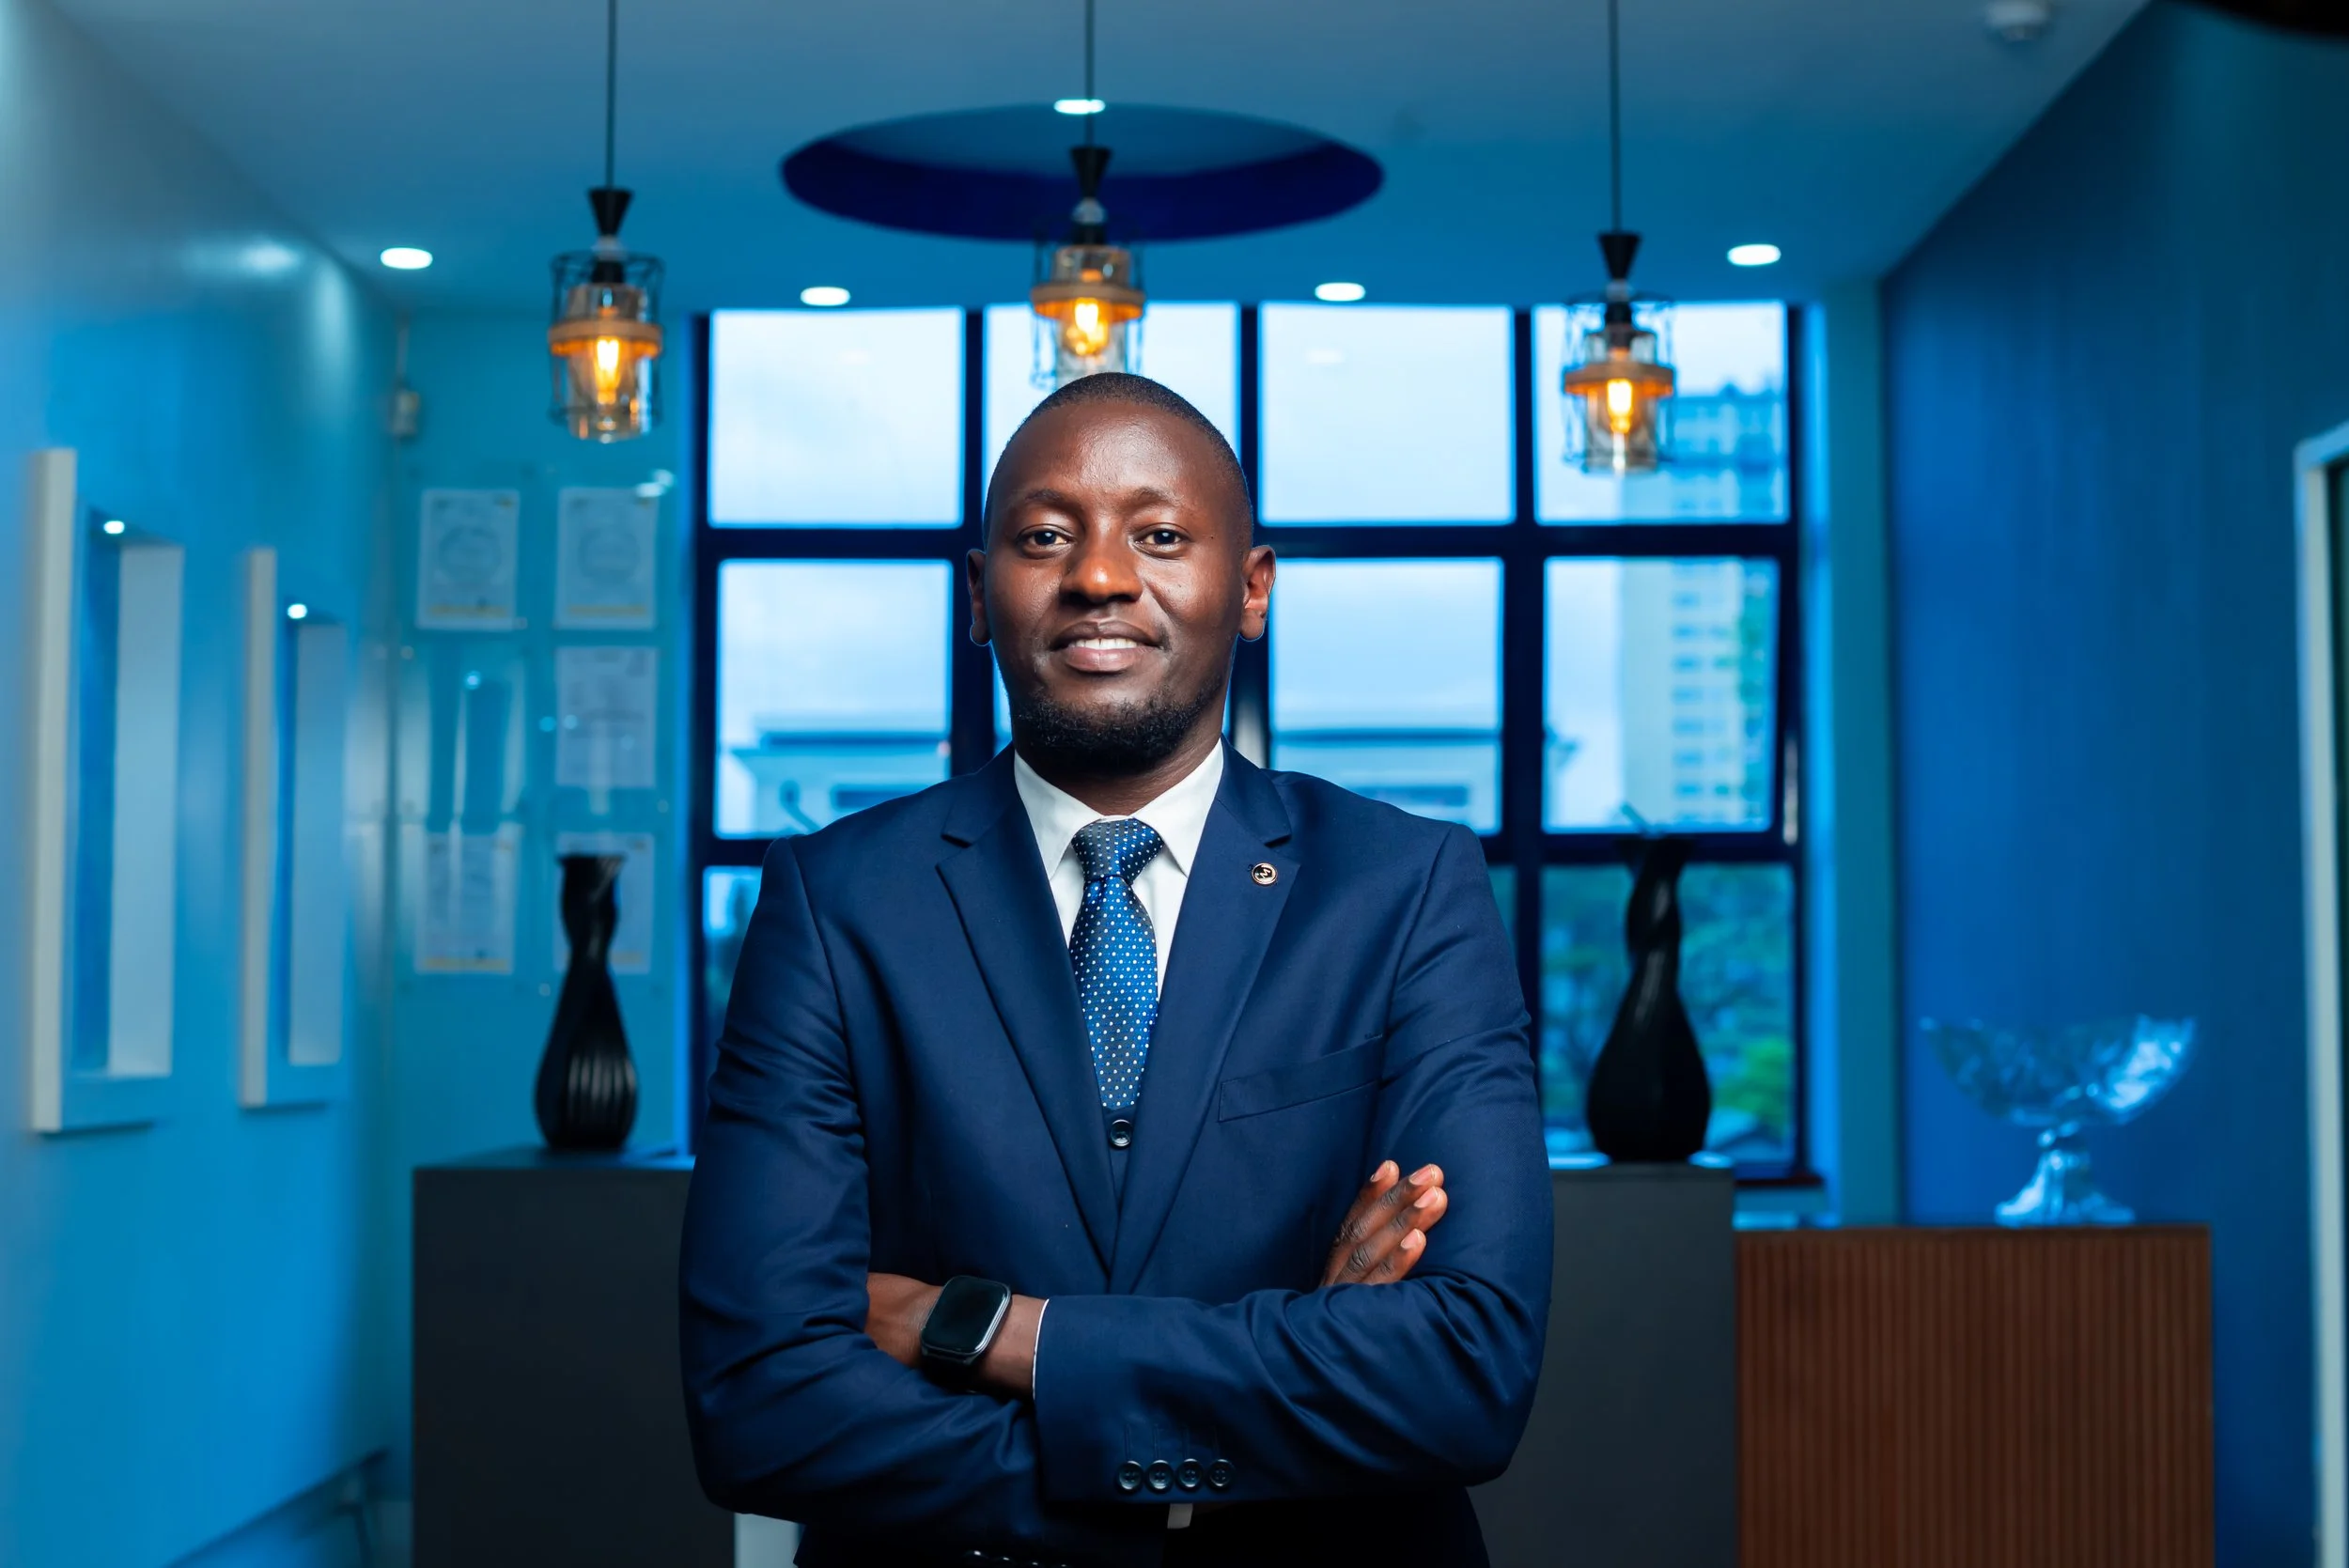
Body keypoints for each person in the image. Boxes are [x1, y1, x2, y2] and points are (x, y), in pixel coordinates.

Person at [681, 372, 1552, 1567]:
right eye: (1044, 537)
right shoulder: (835, 903)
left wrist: (990, 1332)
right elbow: (759, 1399)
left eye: (1159, 535)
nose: (1098, 575)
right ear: (978, 593)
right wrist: (1200, 1475)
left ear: (1250, 591)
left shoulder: (1406, 890)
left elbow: (1463, 1371)